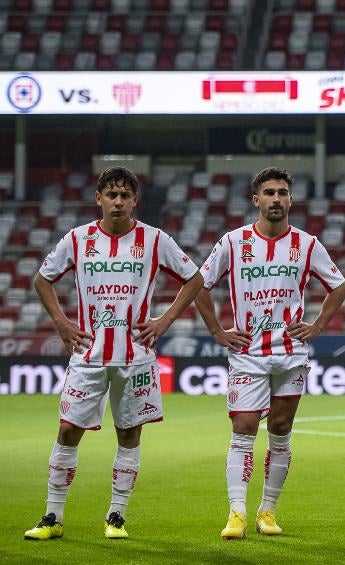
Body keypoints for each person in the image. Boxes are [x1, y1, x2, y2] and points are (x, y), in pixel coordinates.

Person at [25, 167, 204, 540]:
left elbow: (195, 278)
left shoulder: (155, 240)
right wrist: (60, 322)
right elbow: (42, 279)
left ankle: (116, 516)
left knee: (129, 433)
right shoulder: (78, 239)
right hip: (88, 354)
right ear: (99, 199)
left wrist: (165, 320)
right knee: (68, 429)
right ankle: (52, 516)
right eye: (111, 195)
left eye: (125, 195)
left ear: (134, 200)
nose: (118, 201)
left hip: (136, 356)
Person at [196, 167, 345, 540]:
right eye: (269, 193)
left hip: (290, 353)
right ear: (256, 199)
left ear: (290, 200)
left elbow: (338, 286)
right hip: (247, 352)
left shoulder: (307, 244)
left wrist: (316, 326)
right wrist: (217, 330)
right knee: (244, 427)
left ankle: (268, 510)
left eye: (282, 192)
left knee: (280, 429)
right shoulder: (233, 242)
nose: (276, 199)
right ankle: (237, 513)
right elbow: (199, 284)